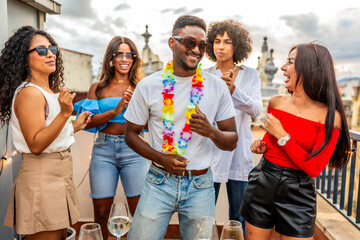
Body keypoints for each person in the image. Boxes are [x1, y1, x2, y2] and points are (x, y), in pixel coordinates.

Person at [124, 15, 238, 240]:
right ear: (172, 43)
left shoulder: (217, 86)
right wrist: (162, 158)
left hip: (201, 184)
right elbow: (130, 134)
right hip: (158, 181)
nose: (197, 50)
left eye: (202, 45)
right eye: (189, 42)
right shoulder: (148, 86)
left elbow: (231, 140)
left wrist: (211, 131)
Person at [240, 42, 350, 240]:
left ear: (308, 69)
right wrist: (261, 146)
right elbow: (269, 143)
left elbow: (314, 167)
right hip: (263, 182)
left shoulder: (331, 117)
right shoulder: (276, 102)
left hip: (299, 194)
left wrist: (282, 136)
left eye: (290, 62)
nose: (283, 68)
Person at [0, 26, 91, 240]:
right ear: (24, 59)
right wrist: (64, 114)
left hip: (58, 177)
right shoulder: (29, 93)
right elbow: (36, 144)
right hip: (42, 179)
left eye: (52, 48)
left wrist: (74, 126)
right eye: (41, 50)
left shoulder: (48, 91)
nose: (50, 54)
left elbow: (50, 135)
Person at [73, 36, 149, 239]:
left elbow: (150, 125)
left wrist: (135, 107)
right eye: (119, 54)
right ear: (111, 59)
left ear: (134, 59)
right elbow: (90, 122)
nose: (125, 58)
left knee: (139, 212)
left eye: (129, 54)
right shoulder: (97, 87)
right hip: (103, 151)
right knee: (101, 213)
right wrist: (116, 110)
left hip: (135, 150)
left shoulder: (142, 86)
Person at [205, 19, 262, 231]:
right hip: (210, 153)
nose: (220, 46)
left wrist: (234, 90)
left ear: (237, 45)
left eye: (227, 42)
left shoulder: (251, 75)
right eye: (217, 41)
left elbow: (256, 109)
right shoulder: (205, 76)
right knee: (203, 213)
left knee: (238, 217)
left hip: (239, 154)